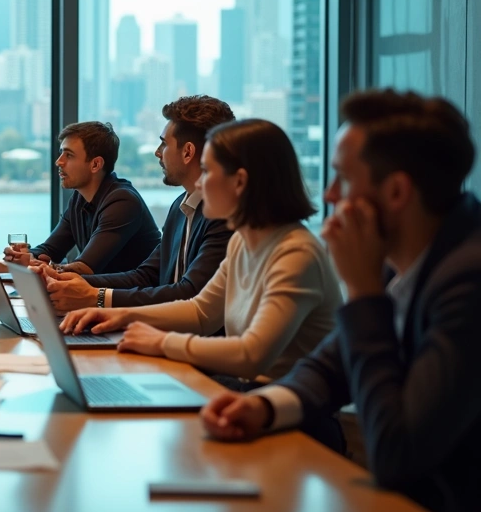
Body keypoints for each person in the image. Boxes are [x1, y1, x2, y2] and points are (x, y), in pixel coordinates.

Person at [200, 90, 481, 512]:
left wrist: (364, 292)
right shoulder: (407, 257)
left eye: (343, 178)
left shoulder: (468, 281)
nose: (330, 195)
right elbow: (330, 367)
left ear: (397, 192)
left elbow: (395, 454)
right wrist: (260, 406)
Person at [60, 119, 341, 385]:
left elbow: (251, 355)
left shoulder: (295, 253)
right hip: (245, 394)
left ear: (239, 182)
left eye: (206, 171)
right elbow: (200, 312)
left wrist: (160, 342)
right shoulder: (243, 243)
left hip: (280, 406)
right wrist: (119, 315)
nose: (199, 183)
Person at [42, 96, 235, 311]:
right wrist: (72, 283)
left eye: (164, 143)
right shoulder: (180, 207)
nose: (157, 152)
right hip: (164, 330)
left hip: (200, 341)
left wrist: (96, 297)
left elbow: (189, 293)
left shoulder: (223, 216)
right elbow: (147, 276)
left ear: (187, 152)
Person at [0, 121, 160, 275]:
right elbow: (49, 249)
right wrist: (1, 264)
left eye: (69, 155)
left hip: (130, 306)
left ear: (96, 164)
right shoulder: (80, 199)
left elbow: (84, 268)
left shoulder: (123, 202)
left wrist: (40, 265)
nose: (58, 162)